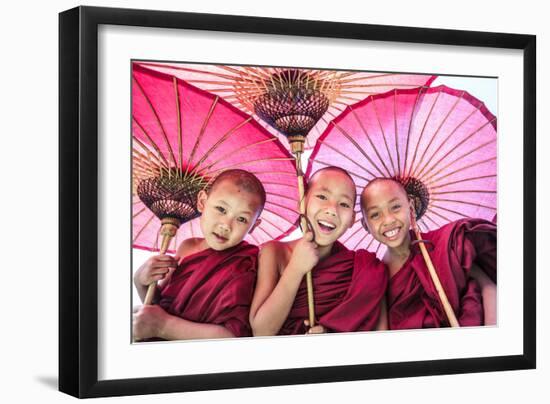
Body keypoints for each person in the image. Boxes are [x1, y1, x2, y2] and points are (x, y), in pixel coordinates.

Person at [250, 167, 388, 336]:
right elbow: (261, 331)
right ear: (302, 202)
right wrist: (295, 268)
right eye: (322, 197)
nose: (332, 210)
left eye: (344, 204)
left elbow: (380, 339)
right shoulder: (275, 252)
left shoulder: (363, 270)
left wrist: (331, 335)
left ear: (352, 219)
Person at [133, 169, 265, 341]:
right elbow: (160, 306)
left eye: (241, 219)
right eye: (221, 209)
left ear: (254, 225)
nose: (226, 225)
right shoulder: (187, 247)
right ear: (202, 201)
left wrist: (163, 326)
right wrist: (141, 282)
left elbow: (232, 337)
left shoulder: (247, 262)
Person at [359, 177, 497, 330]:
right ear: (366, 225)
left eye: (396, 207)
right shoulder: (377, 277)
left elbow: (488, 287)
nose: (388, 220)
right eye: (375, 215)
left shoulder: (443, 244)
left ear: (410, 207)